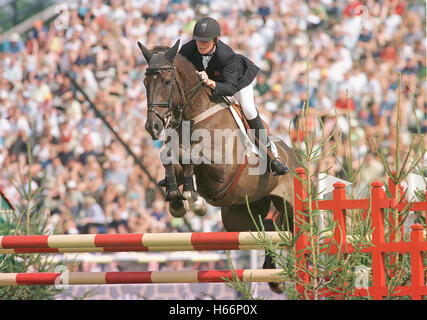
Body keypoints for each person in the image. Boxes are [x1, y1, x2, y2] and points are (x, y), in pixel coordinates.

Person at [178, 17, 288, 175]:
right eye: (198, 40)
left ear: (215, 39)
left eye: (206, 41)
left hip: (237, 82)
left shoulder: (227, 55)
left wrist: (210, 82)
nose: (201, 44)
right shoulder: (188, 49)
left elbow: (229, 88)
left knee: (248, 110)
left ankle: (271, 154)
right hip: (209, 82)